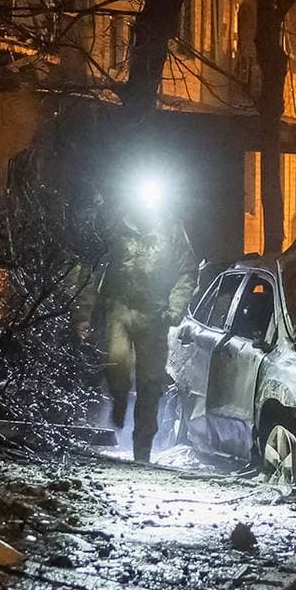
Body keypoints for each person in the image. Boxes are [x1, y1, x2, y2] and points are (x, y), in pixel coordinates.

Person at [97, 182, 195, 462]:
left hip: (155, 313)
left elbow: (187, 270)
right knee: (117, 362)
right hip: (119, 308)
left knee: (151, 383)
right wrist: (88, 308)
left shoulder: (171, 230)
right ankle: (118, 397)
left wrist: (175, 308)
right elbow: (96, 264)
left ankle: (143, 449)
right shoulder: (117, 227)